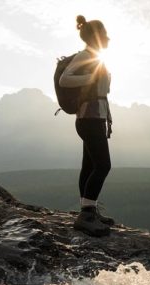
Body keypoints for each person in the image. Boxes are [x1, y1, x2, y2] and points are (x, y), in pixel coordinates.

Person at [59, 15, 114, 236]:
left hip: (94, 119)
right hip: (88, 119)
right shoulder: (85, 56)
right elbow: (65, 79)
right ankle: (87, 215)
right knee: (103, 165)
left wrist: (107, 118)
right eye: (105, 34)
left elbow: (101, 94)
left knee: (90, 166)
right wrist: (90, 78)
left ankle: (88, 209)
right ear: (96, 37)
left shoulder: (96, 57)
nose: (108, 37)